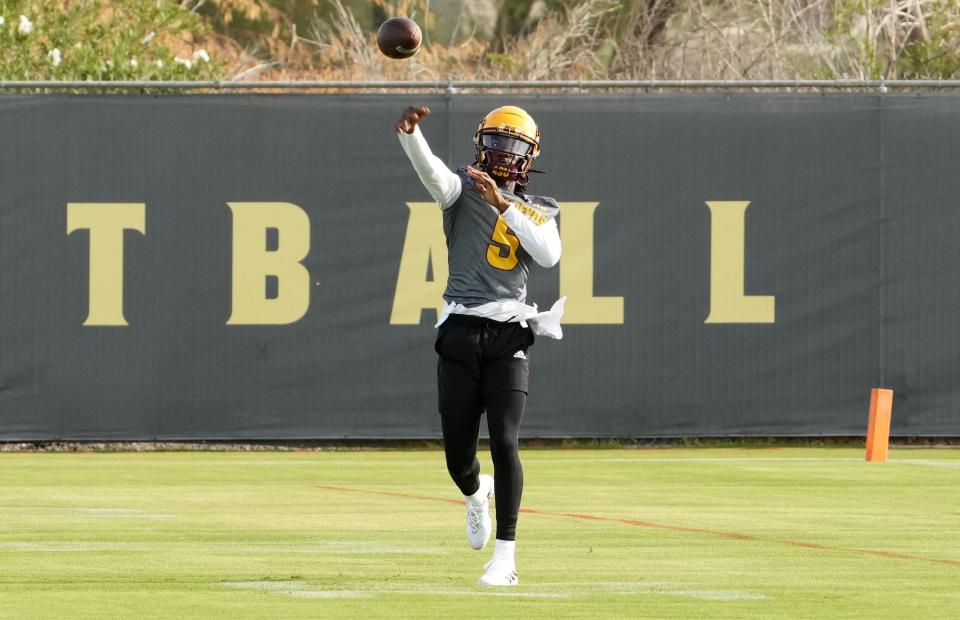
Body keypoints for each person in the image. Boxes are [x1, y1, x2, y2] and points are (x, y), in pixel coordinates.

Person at [395, 104, 565, 587]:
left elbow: (549, 254)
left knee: (507, 441)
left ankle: (506, 560)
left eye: (515, 147)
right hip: (461, 330)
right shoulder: (462, 189)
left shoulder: (540, 206)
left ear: (528, 157)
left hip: (509, 331)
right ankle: (475, 493)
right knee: (457, 457)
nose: (505, 155)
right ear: (481, 146)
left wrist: (504, 204)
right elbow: (433, 175)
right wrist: (411, 137)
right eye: (498, 143)